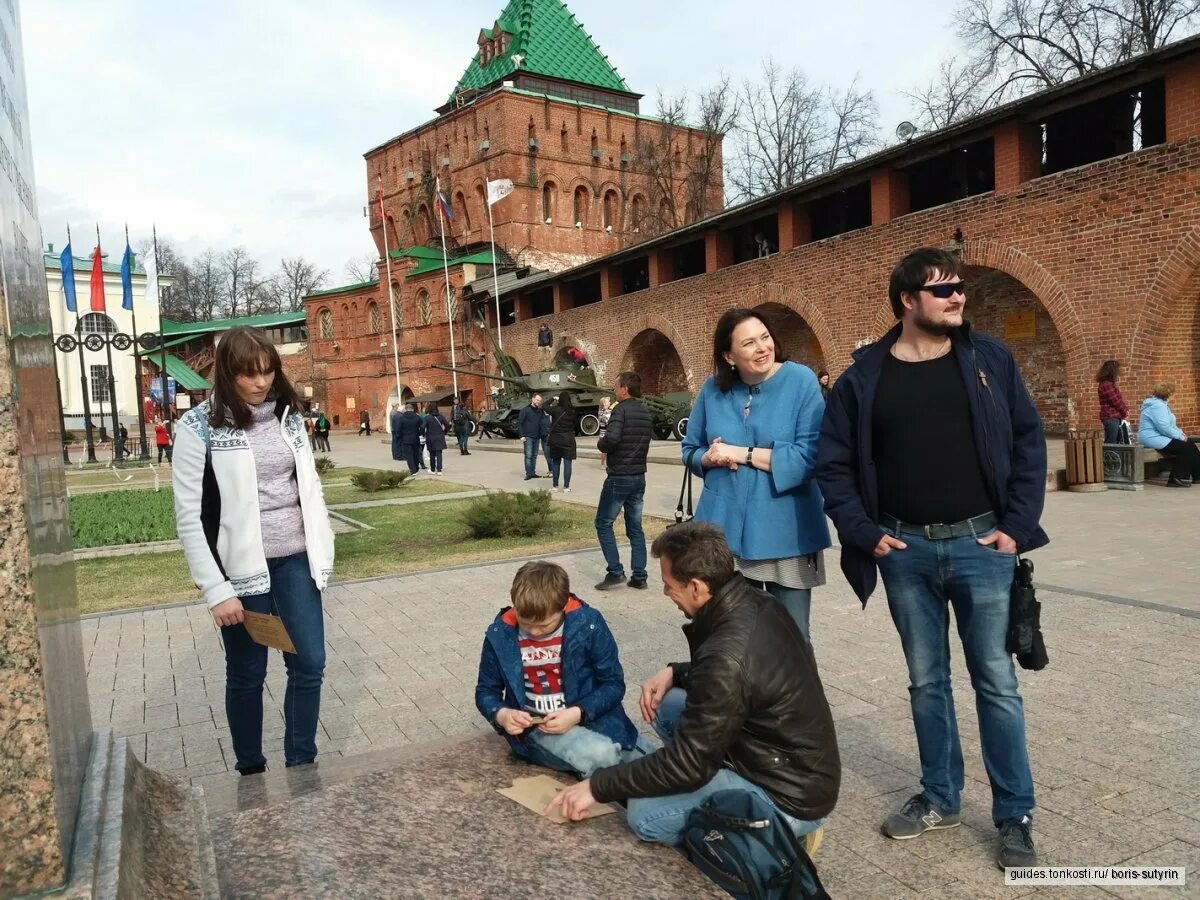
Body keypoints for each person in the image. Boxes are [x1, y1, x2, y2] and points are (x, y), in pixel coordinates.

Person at [816, 247, 1048, 870]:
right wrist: (863, 533)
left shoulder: (988, 359)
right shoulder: (865, 376)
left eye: (959, 287)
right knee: (926, 682)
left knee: (997, 684)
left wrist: (1018, 527)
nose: (956, 297)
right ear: (907, 301)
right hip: (905, 550)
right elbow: (832, 465)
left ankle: (1014, 814)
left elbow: (1028, 443)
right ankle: (941, 796)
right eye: (941, 289)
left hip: (982, 547)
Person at [547, 522, 839, 851]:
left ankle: (775, 836)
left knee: (644, 816)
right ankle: (718, 789)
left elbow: (688, 763)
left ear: (697, 587)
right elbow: (746, 675)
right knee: (668, 702)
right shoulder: (754, 600)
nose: (666, 593)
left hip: (788, 795)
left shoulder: (726, 656)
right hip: (788, 763)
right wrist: (676, 671)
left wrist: (596, 787)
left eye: (670, 586)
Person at [172, 325, 334, 775]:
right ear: (227, 374)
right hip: (241, 571)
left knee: (310, 663)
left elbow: (308, 487)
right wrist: (215, 589)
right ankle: (251, 768)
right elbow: (189, 516)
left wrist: (323, 546)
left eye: (267, 371)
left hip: (296, 560)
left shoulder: (287, 416)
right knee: (248, 672)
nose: (261, 382)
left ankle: (301, 761)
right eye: (249, 374)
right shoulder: (198, 427)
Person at [682, 308, 830, 641]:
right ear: (728, 355)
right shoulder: (712, 389)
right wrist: (707, 457)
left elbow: (810, 457)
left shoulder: (801, 381)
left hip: (786, 529)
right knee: (730, 637)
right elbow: (690, 450)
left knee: (791, 639)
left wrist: (740, 453)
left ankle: (796, 695)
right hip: (724, 532)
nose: (762, 347)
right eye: (749, 343)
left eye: (765, 337)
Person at [474, 560, 647, 779]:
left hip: (593, 716)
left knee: (655, 768)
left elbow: (613, 683)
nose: (535, 632)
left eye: (544, 625)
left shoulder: (588, 624)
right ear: (515, 605)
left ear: (563, 606)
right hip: (537, 730)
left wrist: (578, 713)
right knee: (600, 755)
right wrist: (502, 714)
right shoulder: (500, 634)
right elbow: (486, 691)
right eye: (526, 624)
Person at [594, 372, 652, 591]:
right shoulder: (645, 411)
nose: (614, 389)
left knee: (603, 522)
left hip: (619, 476)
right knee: (635, 527)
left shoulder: (620, 409)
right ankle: (640, 576)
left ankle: (615, 571)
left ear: (625, 388)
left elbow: (612, 438)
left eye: (616, 385)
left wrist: (601, 444)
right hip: (639, 476)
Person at [1138, 381, 1200, 488]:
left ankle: (1198, 476)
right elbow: (1164, 427)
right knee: (1185, 448)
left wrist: (1181, 434)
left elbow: (1170, 425)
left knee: (1191, 445)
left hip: (1159, 436)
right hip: (1152, 437)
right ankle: (1176, 478)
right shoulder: (1157, 406)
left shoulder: (1161, 405)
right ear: (1168, 394)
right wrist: (1179, 437)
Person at [546, 393, 577, 493]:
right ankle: (566, 487)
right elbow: (575, 425)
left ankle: (555, 486)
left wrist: (552, 398)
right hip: (569, 439)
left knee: (556, 463)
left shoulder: (556, 410)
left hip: (556, 440)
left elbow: (544, 406)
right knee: (568, 463)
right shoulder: (572, 411)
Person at [1096, 360, 1128, 444]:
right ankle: (1107, 457)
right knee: (1111, 442)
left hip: (1113, 416)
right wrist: (1125, 411)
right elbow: (1115, 401)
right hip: (1110, 416)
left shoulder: (1108, 383)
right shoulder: (1106, 384)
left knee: (1115, 442)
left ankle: (1112, 457)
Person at [518, 394, 547, 481]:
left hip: (537, 436)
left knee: (534, 455)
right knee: (528, 455)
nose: (539, 402)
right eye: (537, 400)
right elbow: (520, 423)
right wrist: (521, 435)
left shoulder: (540, 411)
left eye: (540, 400)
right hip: (528, 437)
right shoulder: (525, 410)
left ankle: (533, 472)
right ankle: (528, 473)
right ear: (533, 399)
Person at [393, 402, 425, 475]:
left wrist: (400, 436)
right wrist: (420, 433)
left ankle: (412, 470)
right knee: (416, 454)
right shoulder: (417, 417)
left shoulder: (402, 418)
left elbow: (398, 429)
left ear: (405, 409)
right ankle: (416, 468)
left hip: (406, 438)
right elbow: (422, 426)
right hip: (415, 438)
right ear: (412, 409)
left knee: (409, 455)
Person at [424, 403, 450, 476]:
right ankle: (439, 470)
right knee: (439, 453)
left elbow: (423, 427)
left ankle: (432, 469)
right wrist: (444, 432)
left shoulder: (427, 418)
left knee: (432, 454)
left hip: (430, 437)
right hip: (440, 436)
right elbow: (447, 425)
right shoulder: (441, 417)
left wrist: (423, 434)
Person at [597, 396, 613, 471]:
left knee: (609, 449)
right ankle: (602, 464)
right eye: (607, 401)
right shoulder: (601, 412)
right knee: (604, 450)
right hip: (604, 434)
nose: (609, 402)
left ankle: (608, 463)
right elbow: (607, 421)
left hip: (609, 432)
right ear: (604, 403)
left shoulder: (609, 411)